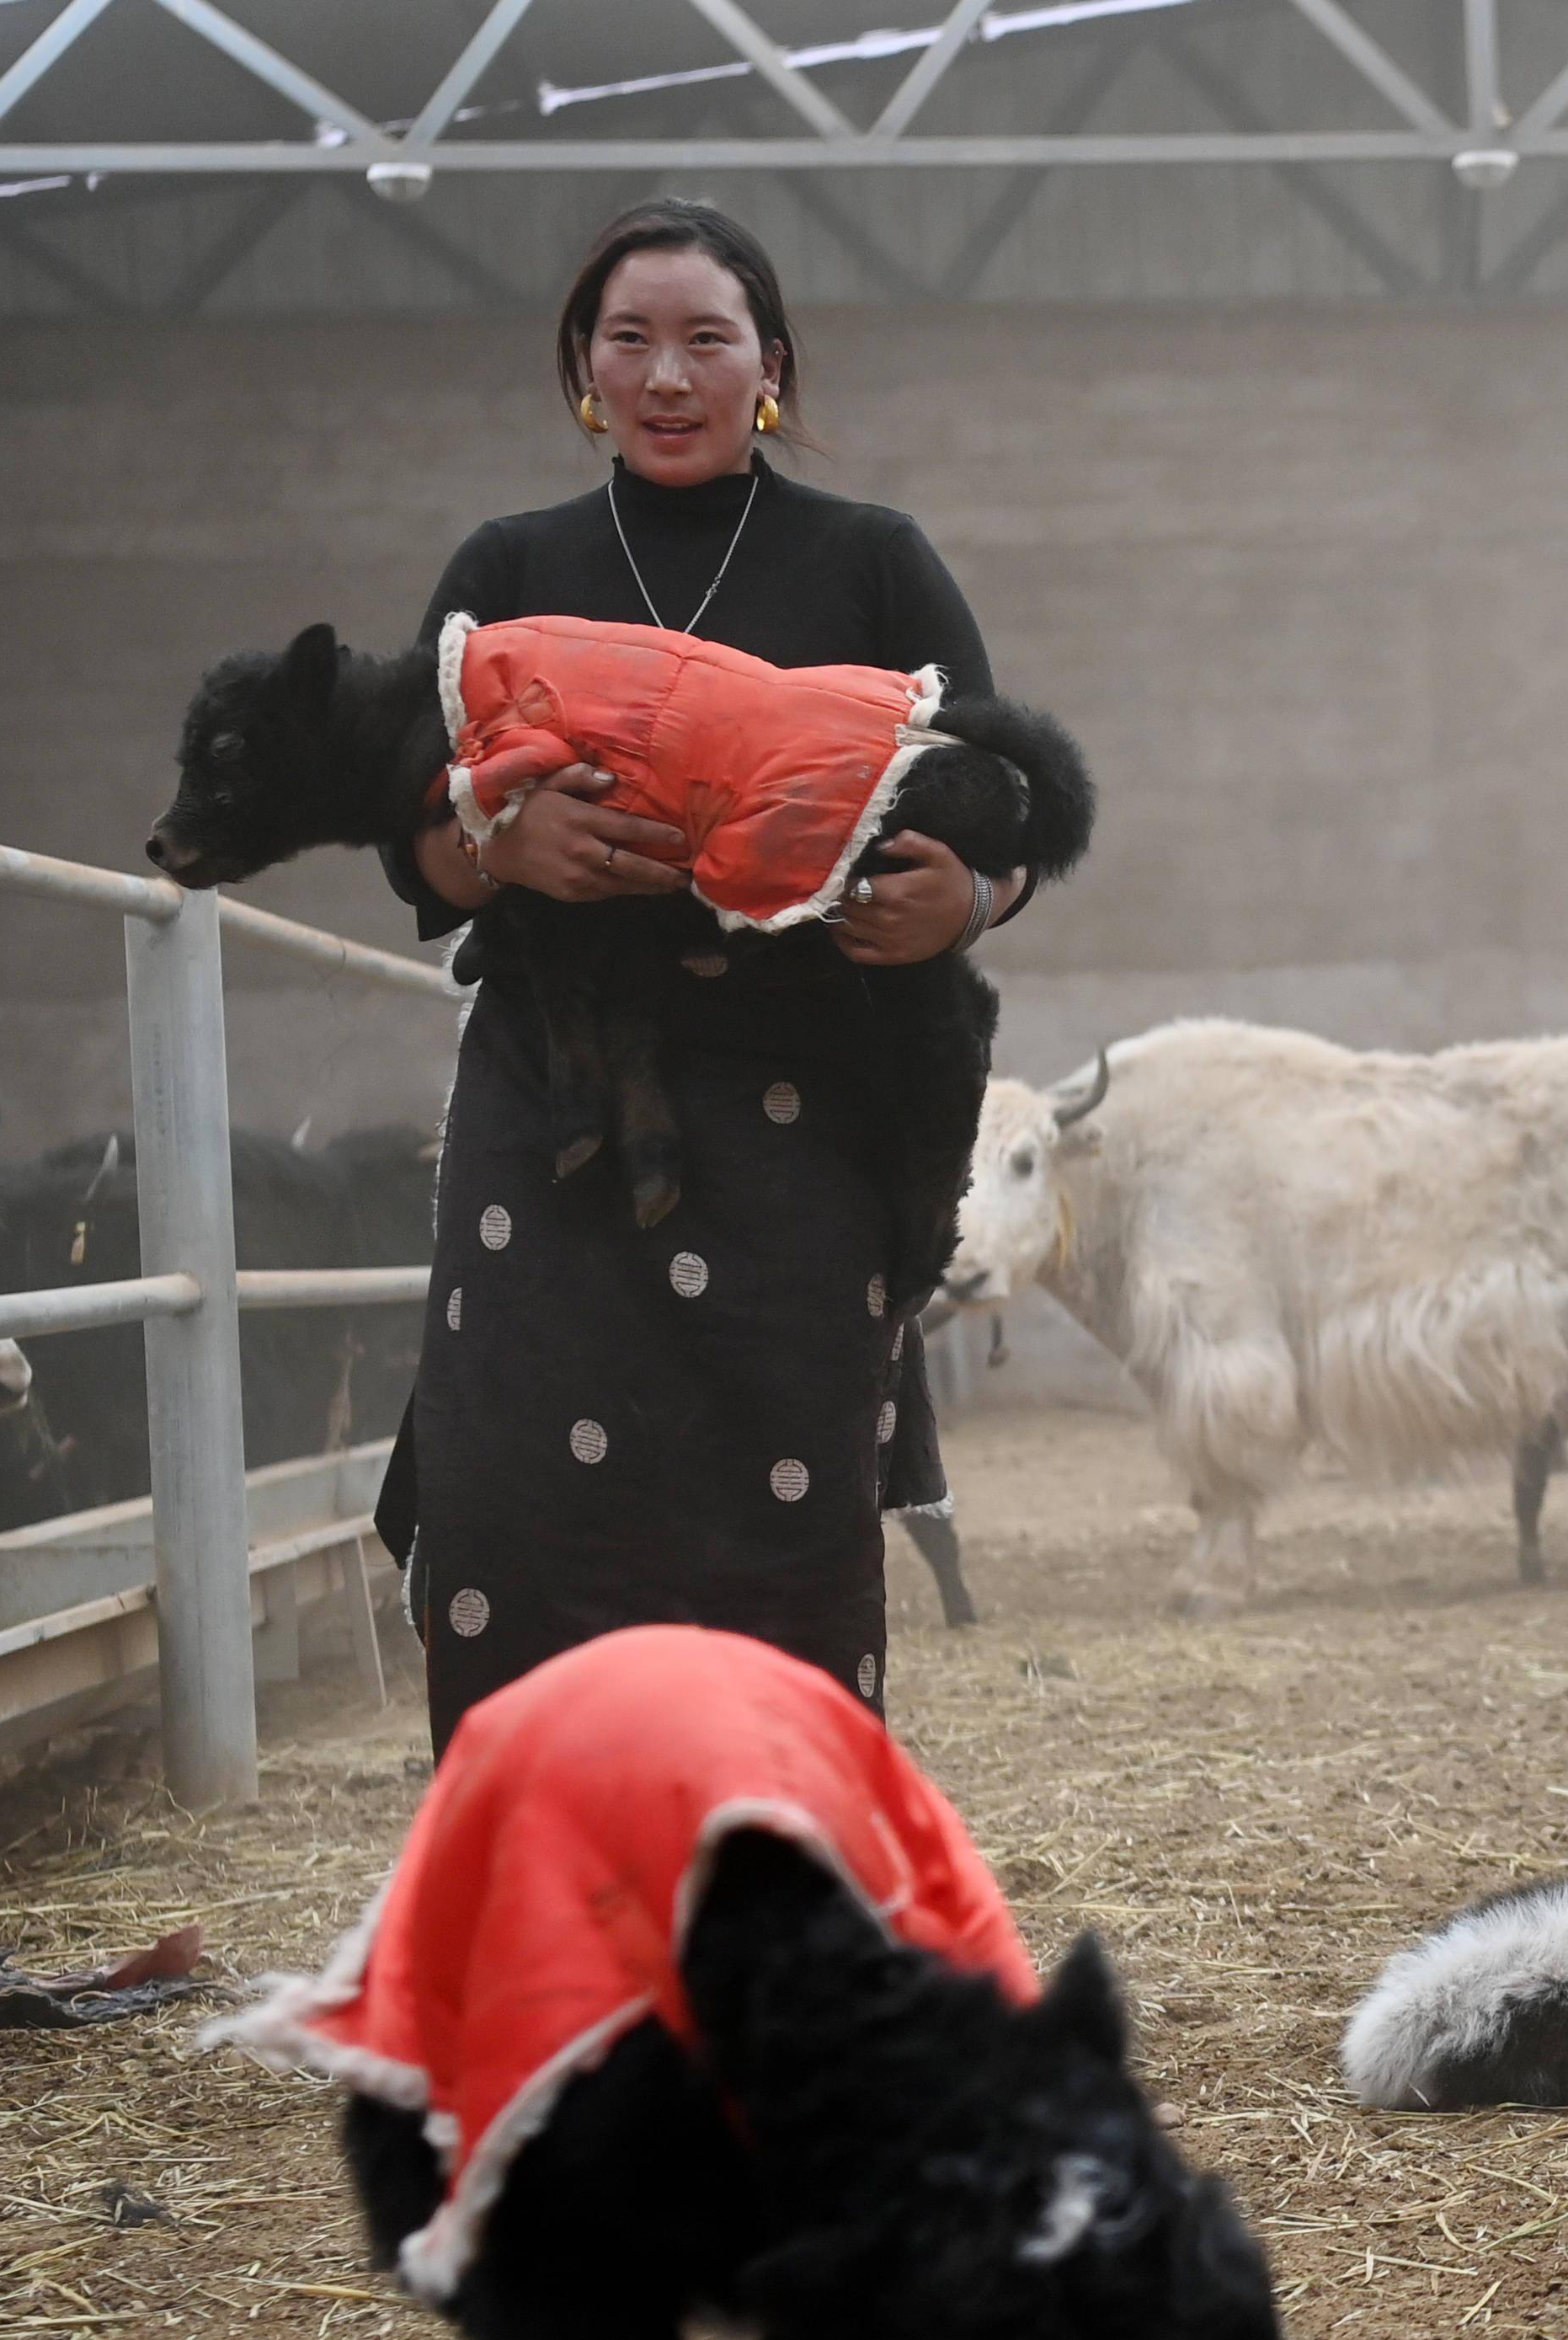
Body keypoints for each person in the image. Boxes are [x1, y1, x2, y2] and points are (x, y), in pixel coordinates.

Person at [377, 197, 1023, 1750]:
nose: (668, 375)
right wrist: (497, 847)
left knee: (781, 1509)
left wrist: (966, 904)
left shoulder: (873, 563)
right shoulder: (507, 567)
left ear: (770, 370)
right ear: (583, 373)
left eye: (706, 340)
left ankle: (779, 1907)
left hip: (801, 1114)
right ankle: (539, 1897)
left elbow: (1005, 808)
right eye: (630, 341)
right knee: (519, 1504)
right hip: (554, 1111)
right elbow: (408, 837)